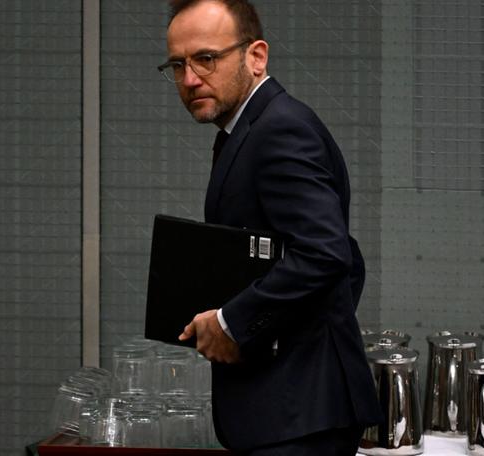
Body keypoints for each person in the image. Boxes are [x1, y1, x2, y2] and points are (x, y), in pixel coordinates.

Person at [158, 0, 382, 454]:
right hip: (289, 409)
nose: (189, 79)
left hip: (297, 416)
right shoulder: (248, 131)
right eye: (178, 65)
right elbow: (347, 257)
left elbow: (325, 254)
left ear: (256, 56)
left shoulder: (279, 129)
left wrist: (233, 323)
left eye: (206, 59)